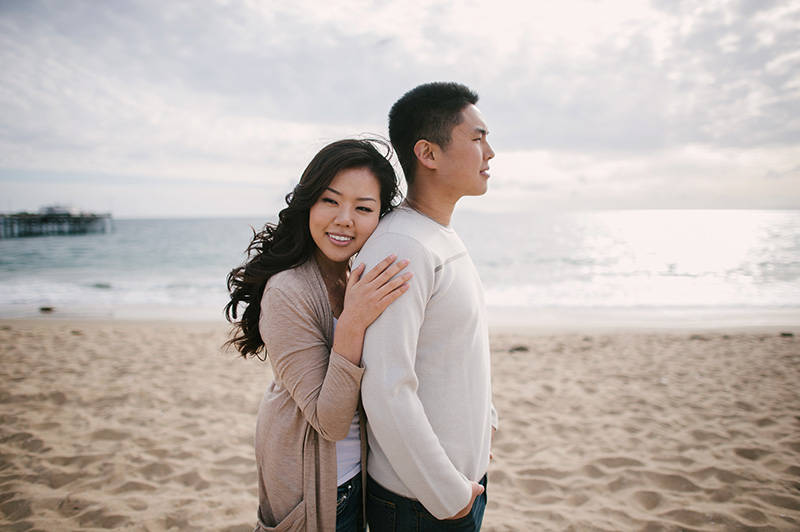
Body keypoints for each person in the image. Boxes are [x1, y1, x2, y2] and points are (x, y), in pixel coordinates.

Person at [224, 138, 413, 532]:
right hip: (314, 488)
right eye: (331, 201)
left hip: (363, 476)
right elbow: (329, 422)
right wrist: (353, 322)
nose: (345, 219)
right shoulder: (286, 291)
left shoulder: (352, 277)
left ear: (381, 218)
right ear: (308, 203)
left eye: (363, 208)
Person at [356, 82, 498, 531]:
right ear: (428, 153)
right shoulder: (402, 246)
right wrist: (447, 494)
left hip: (456, 487)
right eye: (477, 138)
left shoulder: (434, 233)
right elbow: (385, 387)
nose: (489, 153)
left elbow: (453, 349)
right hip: (422, 504)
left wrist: (484, 427)